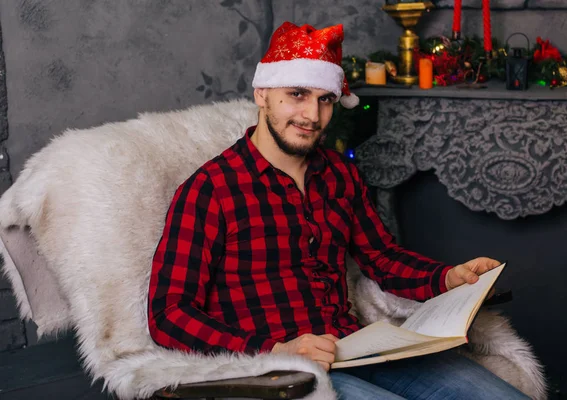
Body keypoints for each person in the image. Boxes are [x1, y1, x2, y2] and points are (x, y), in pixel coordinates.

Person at [147, 21, 527, 399]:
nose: (312, 115)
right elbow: (169, 314)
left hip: (359, 348)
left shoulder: (339, 174)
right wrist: (276, 350)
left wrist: (448, 278)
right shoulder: (211, 188)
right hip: (279, 370)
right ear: (262, 94)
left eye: (325, 99)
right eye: (297, 94)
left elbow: (381, 257)